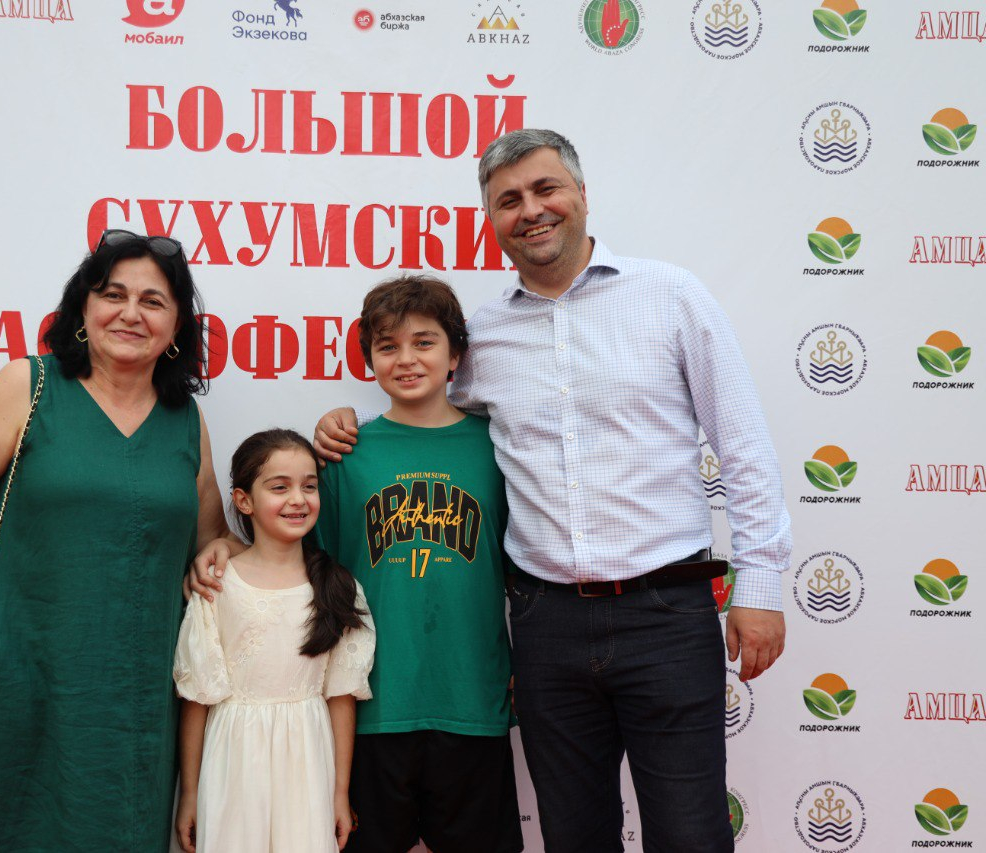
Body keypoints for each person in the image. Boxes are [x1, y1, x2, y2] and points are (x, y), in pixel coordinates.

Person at [313, 129, 791, 852]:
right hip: (545, 625)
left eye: (545, 189)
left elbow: (745, 445)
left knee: (691, 834)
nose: (530, 210)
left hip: (667, 613)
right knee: (573, 836)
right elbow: (426, 414)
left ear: (581, 193)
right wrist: (343, 422)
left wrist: (760, 585)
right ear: (492, 220)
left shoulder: (670, 296)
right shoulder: (482, 337)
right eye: (508, 200)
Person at [0, 231, 227, 852]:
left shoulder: (185, 420)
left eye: (153, 301)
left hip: (137, 704)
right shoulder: (27, 387)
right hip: (24, 681)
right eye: (113, 294)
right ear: (82, 309)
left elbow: (211, 539)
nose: (130, 313)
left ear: (176, 328)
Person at [191, 276, 523, 853]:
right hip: (370, 705)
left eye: (424, 342)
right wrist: (228, 546)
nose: (406, 359)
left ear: (456, 356)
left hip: (472, 697)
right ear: (369, 359)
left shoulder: (499, 447)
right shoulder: (343, 455)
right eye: (388, 346)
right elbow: (294, 555)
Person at [173, 429, 375, 853]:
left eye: (309, 486)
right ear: (244, 500)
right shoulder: (217, 584)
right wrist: (189, 793)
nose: (298, 499)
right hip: (232, 760)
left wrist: (340, 792)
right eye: (279, 487)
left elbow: (341, 696)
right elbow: (197, 697)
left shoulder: (338, 587)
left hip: (308, 760)